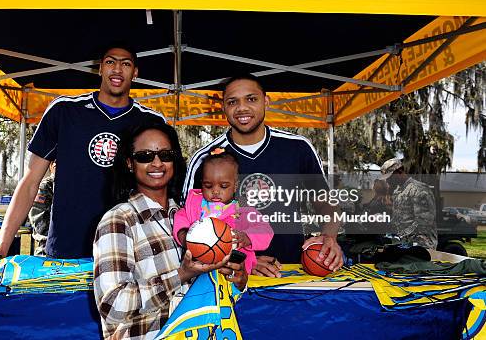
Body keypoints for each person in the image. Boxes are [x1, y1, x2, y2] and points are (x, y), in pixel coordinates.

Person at [0, 44, 165, 271]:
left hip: (127, 250)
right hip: (66, 251)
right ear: (100, 69)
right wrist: (0, 248)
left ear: (135, 72)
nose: (117, 69)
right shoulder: (64, 111)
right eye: (110, 62)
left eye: (126, 64)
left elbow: (162, 189)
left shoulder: (150, 122)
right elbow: (30, 182)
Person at [93, 122, 247, 339]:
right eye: (145, 156)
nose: (157, 163)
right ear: (129, 163)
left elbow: (214, 293)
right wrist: (182, 274)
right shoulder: (119, 220)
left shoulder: (194, 217)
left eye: (166, 154)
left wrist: (237, 279)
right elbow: (112, 306)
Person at [184, 74, 344, 277]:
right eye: (232, 102)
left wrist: (329, 236)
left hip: (291, 270)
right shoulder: (206, 159)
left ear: (266, 102)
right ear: (223, 107)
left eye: (251, 99)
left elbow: (326, 203)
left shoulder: (298, 148)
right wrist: (244, 260)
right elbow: (191, 227)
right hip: (229, 275)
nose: (242, 108)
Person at [173, 148, 273, 274]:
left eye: (224, 186)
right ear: (202, 183)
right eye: (208, 185)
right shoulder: (194, 204)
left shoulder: (242, 209)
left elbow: (265, 229)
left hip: (233, 269)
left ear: (235, 186)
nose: (215, 191)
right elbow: (181, 216)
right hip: (199, 268)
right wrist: (183, 235)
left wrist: (248, 237)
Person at [380, 158, 438, 249]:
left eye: (390, 177)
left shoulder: (419, 190)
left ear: (400, 171)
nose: (387, 181)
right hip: (403, 244)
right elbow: (398, 218)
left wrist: (402, 234)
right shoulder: (397, 191)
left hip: (422, 245)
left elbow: (424, 222)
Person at [28, 161, 55, 256]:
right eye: (54, 162)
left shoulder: (73, 186)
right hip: (47, 250)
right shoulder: (45, 186)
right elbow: (40, 223)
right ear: (51, 166)